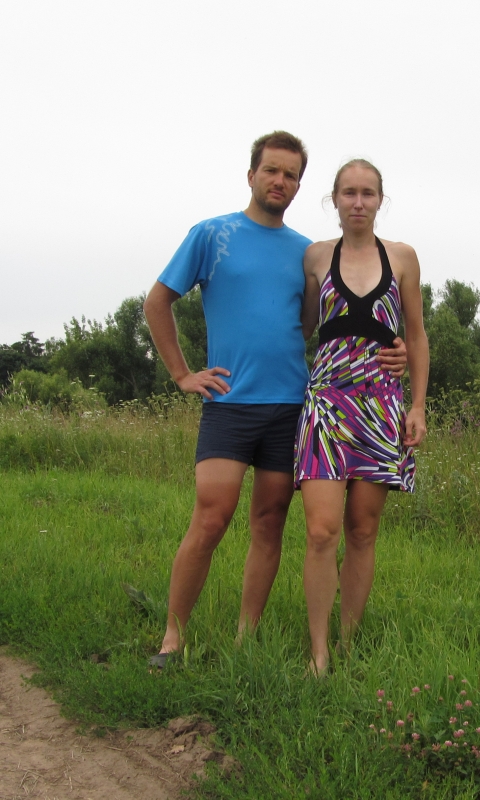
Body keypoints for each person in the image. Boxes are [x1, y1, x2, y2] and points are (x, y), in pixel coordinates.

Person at [143, 135, 408, 667]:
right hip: (229, 403)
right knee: (211, 518)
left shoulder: (308, 253)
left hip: (292, 406)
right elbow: (157, 302)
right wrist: (182, 374)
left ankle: (247, 638)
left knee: (269, 523)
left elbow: (320, 323)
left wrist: (392, 346)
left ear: (300, 186)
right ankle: (172, 637)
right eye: (271, 170)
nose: (279, 181)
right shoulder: (212, 235)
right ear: (252, 175)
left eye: (290, 175)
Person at [295, 158, 429, 675]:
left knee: (363, 530)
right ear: (334, 199)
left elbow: (416, 335)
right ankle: (319, 652)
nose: (358, 202)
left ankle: (348, 643)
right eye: (348, 193)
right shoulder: (315, 257)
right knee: (321, 532)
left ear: (380, 200)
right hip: (327, 406)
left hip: (381, 407)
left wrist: (417, 405)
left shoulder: (402, 257)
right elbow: (303, 326)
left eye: (367, 193)